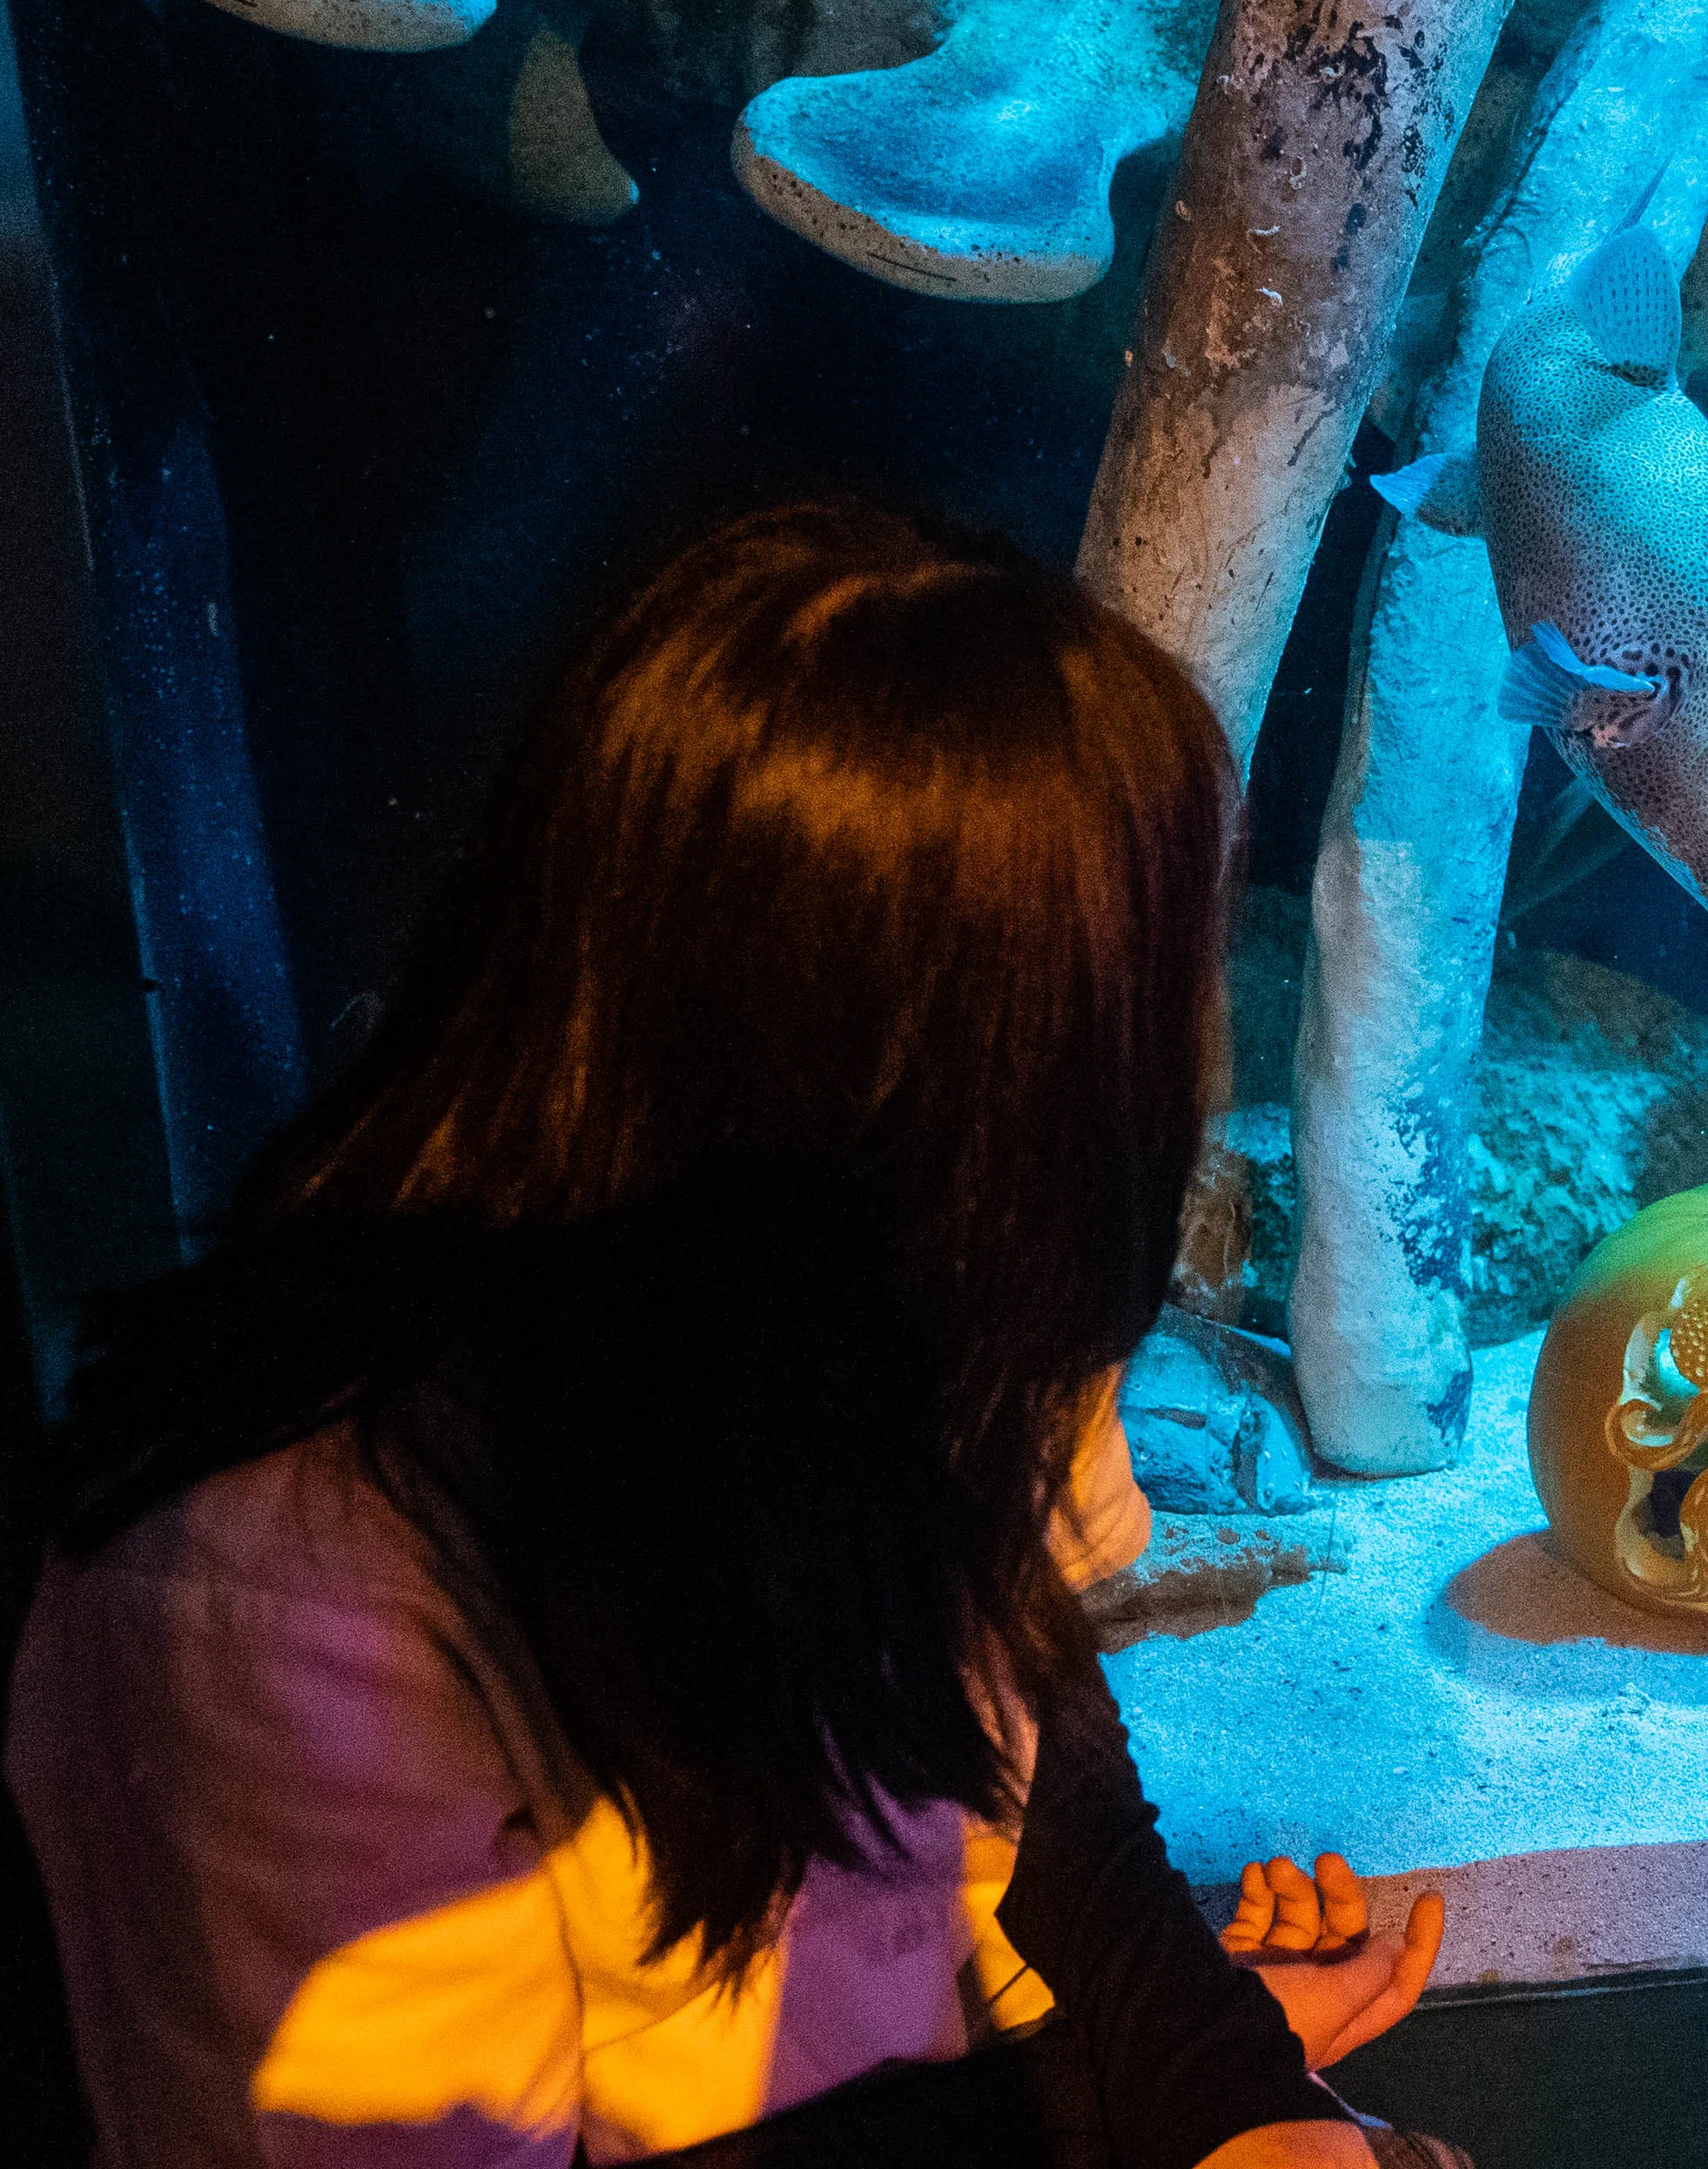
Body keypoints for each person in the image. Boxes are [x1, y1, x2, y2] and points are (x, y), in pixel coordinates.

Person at [8, 502, 1456, 2167]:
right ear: (913, 1081)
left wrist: (1230, 2094)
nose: (1186, 1076)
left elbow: (1036, 1806)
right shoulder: (285, 1606)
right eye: (1137, 1009)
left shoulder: (853, 1370)